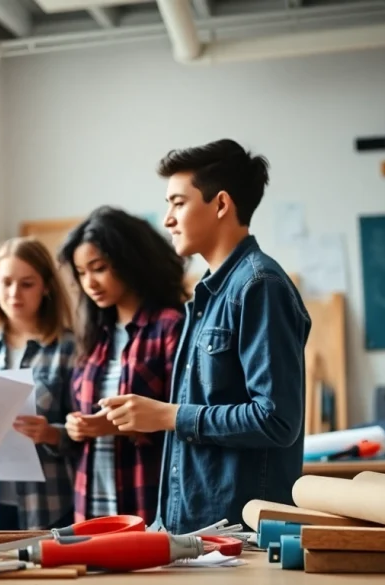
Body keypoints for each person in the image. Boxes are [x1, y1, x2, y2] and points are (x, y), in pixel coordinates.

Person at [109, 138, 310, 535]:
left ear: (220, 205)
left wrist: (167, 416)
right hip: (193, 530)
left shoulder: (259, 286)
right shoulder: (208, 294)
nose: (167, 219)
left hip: (239, 535)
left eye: (178, 203)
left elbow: (276, 419)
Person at [56, 206, 186, 525]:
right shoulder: (93, 336)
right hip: (90, 499)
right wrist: (77, 427)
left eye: (98, 268)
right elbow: (83, 413)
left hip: (146, 495)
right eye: (81, 273)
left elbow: (184, 416)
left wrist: (112, 425)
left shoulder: (170, 326)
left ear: (128, 261)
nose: (90, 283)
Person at [0, 236, 78, 532]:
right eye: (5, 282)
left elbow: (86, 433)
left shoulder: (70, 348)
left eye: (26, 283)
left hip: (48, 505)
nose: (14, 293)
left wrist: (51, 434)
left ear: (46, 287)